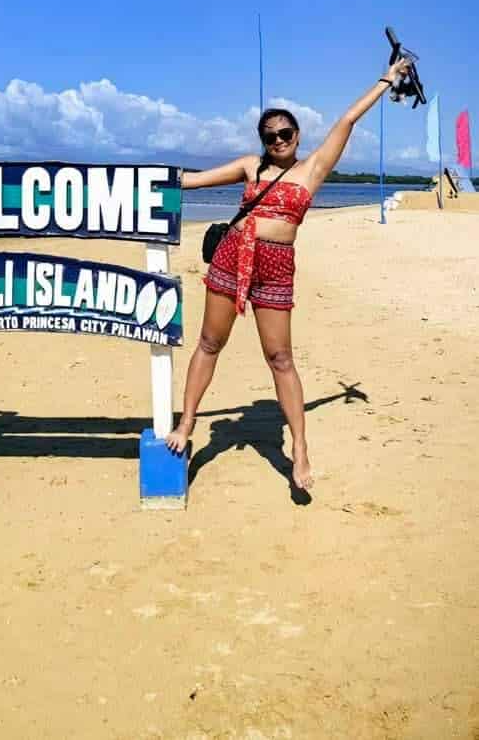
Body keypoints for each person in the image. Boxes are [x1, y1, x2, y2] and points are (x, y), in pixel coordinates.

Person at [166, 57, 411, 491]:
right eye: (269, 135)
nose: (277, 140)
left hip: (276, 267)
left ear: (297, 136)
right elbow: (191, 181)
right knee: (209, 342)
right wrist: (141, 179)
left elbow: (348, 120)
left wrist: (387, 79)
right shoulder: (250, 166)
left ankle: (299, 447)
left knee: (280, 358)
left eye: (285, 133)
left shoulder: (312, 170)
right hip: (231, 256)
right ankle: (185, 426)